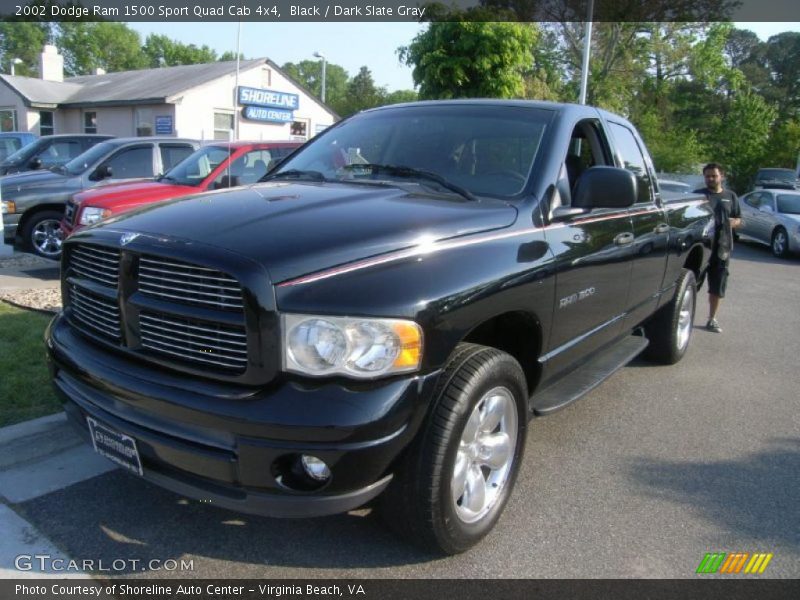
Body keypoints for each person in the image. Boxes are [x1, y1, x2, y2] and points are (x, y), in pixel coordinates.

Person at [694, 163, 742, 333]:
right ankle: (681, 317)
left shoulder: (731, 196)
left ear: (722, 176)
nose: (710, 179)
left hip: (721, 248)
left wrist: (733, 223)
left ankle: (712, 319)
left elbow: (739, 219)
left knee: (717, 285)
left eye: (714, 176)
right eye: (707, 176)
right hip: (699, 249)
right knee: (690, 284)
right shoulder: (697, 195)